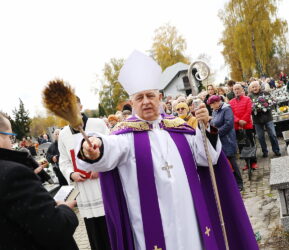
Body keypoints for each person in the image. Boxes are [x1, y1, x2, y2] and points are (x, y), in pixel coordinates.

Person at [76, 50, 258, 250]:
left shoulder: (179, 127)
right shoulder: (124, 136)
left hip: (189, 217)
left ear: (160, 97)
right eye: (139, 97)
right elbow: (106, 150)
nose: (146, 101)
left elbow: (208, 157)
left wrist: (206, 126)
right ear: (132, 102)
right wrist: (93, 148)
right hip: (147, 224)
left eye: (150, 95)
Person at [0, 112, 79, 250]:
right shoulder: (13, 174)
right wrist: (65, 209)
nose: (12, 144)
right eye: (11, 138)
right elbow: (55, 229)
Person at [58, 96, 111, 250]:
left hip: (102, 185)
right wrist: (71, 173)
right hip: (84, 190)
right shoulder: (63, 134)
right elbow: (64, 160)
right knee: (94, 232)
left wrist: (100, 168)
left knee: (109, 228)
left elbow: (111, 148)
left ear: (80, 107)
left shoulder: (97, 124)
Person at [208, 95, 243, 191]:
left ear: (217, 102)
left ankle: (239, 183)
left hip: (228, 139)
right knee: (225, 162)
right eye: (211, 105)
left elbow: (229, 124)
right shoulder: (215, 110)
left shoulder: (226, 109)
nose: (212, 106)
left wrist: (216, 133)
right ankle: (231, 182)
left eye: (212, 104)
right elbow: (213, 123)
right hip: (219, 140)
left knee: (232, 161)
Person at [249, 81, 281, 157]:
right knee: (260, 137)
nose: (255, 88)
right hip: (257, 119)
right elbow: (249, 108)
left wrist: (267, 107)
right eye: (253, 87)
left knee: (272, 135)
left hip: (268, 118)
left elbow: (272, 103)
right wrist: (254, 109)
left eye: (256, 86)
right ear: (250, 88)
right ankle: (265, 151)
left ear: (259, 86)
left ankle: (276, 150)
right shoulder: (249, 97)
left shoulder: (265, 93)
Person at [229, 84, 258, 170]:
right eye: (235, 89)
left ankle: (253, 162)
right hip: (237, 127)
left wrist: (243, 121)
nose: (237, 91)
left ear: (242, 90)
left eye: (238, 89)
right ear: (233, 91)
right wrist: (238, 121)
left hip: (247, 125)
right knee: (241, 145)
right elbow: (231, 114)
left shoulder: (247, 99)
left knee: (250, 143)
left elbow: (248, 111)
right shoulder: (231, 102)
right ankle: (246, 163)